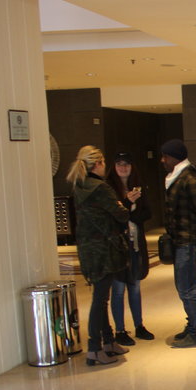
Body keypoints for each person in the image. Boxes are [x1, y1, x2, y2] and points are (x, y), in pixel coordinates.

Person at [67, 146, 130, 366]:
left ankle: (108, 342)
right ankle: (94, 347)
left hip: (88, 249)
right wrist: (124, 204)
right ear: (98, 164)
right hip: (104, 249)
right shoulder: (100, 188)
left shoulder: (80, 186)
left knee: (101, 297)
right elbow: (121, 214)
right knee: (100, 299)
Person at [161, 139, 196, 348]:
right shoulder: (177, 178)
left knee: (187, 288)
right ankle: (192, 324)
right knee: (184, 286)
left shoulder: (189, 179)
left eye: (165, 156)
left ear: (174, 157)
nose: (162, 160)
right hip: (181, 240)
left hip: (189, 241)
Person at [108, 152, 154, 345]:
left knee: (135, 287)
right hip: (118, 246)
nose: (123, 168)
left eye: (127, 164)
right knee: (118, 289)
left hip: (135, 244)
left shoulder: (139, 187)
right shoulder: (109, 189)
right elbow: (114, 216)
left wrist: (132, 214)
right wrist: (127, 203)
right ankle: (119, 329)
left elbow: (147, 212)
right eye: (119, 164)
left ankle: (139, 325)